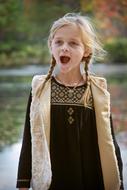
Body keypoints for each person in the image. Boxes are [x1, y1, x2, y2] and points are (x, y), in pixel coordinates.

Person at [16, 13, 124, 190]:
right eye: (58, 42)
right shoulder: (40, 89)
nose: (64, 48)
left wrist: (119, 185)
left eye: (73, 43)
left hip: (91, 180)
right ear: (51, 46)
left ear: (86, 50)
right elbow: (29, 139)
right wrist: (23, 183)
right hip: (52, 182)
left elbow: (110, 142)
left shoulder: (97, 91)